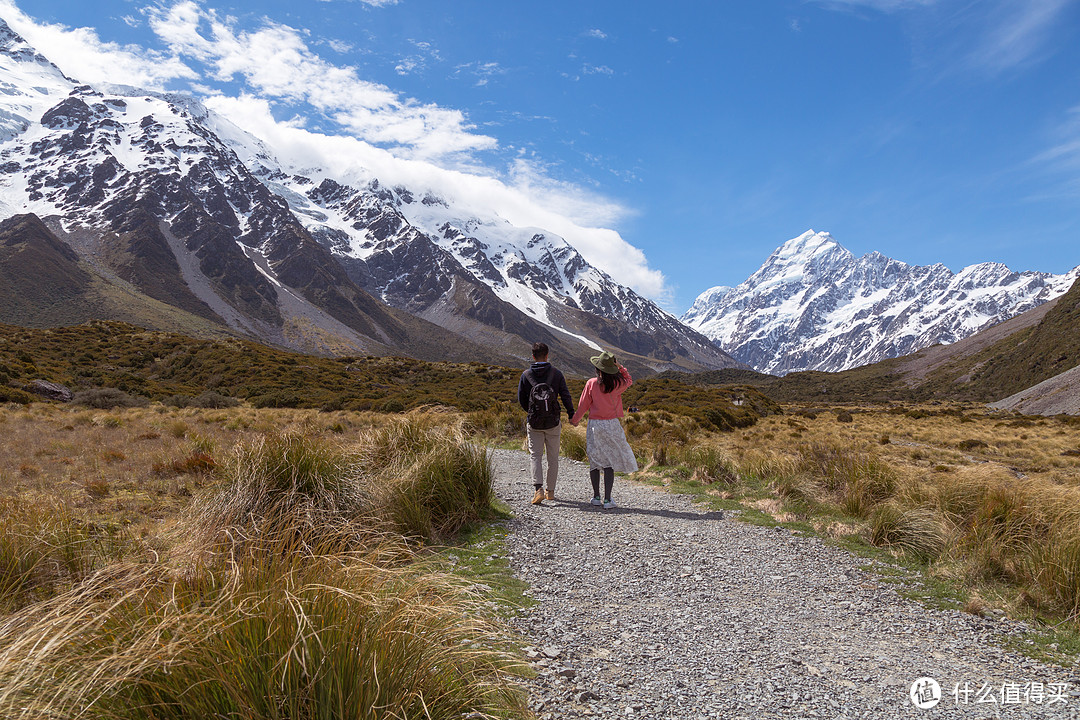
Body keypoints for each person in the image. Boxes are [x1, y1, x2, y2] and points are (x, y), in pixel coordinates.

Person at [570, 350, 637, 509]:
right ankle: (608, 500)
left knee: (595, 461)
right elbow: (629, 379)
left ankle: (596, 497)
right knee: (609, 463)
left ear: (597, 369)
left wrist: (575, 420)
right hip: (612, 425)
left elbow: (583, 405)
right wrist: (620, 366)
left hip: (595, 425)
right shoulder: (617, 384)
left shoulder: (591, 383)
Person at [518, 342, 575, 505]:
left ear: (533, 356)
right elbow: (565, 396)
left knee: (536, 456)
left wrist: (531, 412)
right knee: (553, 458)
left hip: (534, 422)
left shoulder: (526, 375)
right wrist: (571, 413)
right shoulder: (556, 374)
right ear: (547, 355)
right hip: (553, 422)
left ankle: (538, 490)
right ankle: (550, 492)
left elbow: (521, 399)